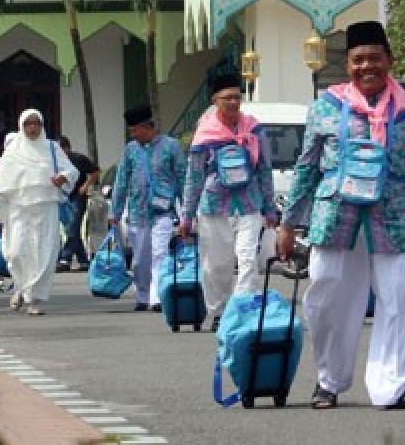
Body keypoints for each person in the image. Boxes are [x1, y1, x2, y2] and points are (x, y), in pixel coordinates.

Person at [277, 20, 405, 411]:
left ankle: (392, 386)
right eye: (358, 60)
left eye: (375, 58)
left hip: (397, 221)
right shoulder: (326, 107)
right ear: (348, 64)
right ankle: (329, 381)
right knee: (327, 297)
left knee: (400, 299)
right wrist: (289, 224)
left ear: (389, 61)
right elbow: (306, 167)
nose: (366, 67)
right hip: (335, 219)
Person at [180, 73, 278, 324]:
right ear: (215, 100)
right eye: (227, 98)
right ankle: (220, 312)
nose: (234, 102)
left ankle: (241, 311)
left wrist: (270, 208)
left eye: (237, 97)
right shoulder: (204, 135)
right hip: (214, 207)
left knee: (247, 259)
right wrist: (187, 216)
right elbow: (194, 177)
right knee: (217, 265)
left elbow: (264, 169)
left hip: (249, 204)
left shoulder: (254, 129)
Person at [0, 109, 79, 315]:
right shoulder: (13, 152)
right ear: (22, 126)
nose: (33, 127)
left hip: (46, 208)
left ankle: (34, 300)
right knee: (16, 252)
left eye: (36, 123)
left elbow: (72, 170)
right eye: (28, 123)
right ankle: (21, 287)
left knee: (44, 254)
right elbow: (1, 187)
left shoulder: (52, 148)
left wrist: (63, 177)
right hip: (18, 210)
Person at [110, 105, 185, 312]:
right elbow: (121, 182)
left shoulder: (171, 146)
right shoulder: (130, 150)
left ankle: (157, 296)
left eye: (135, 130)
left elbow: (182, 178)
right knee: (140, 258)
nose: (133, 135)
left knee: (160, 253)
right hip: (137, 212)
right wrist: (114, 212)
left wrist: (188, 212)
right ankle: (142, 295)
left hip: (163, 212)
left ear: (146, 127)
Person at [57, 135, 100, 271]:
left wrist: (85, 186)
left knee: (73, 226)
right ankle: (83, 261)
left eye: (61, 149)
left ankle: (65, 258)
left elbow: (95, 171)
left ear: (67, 148)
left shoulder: (78, 158)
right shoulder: (55, 161)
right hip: (63, 197)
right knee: (71, 229)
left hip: (77, 196)